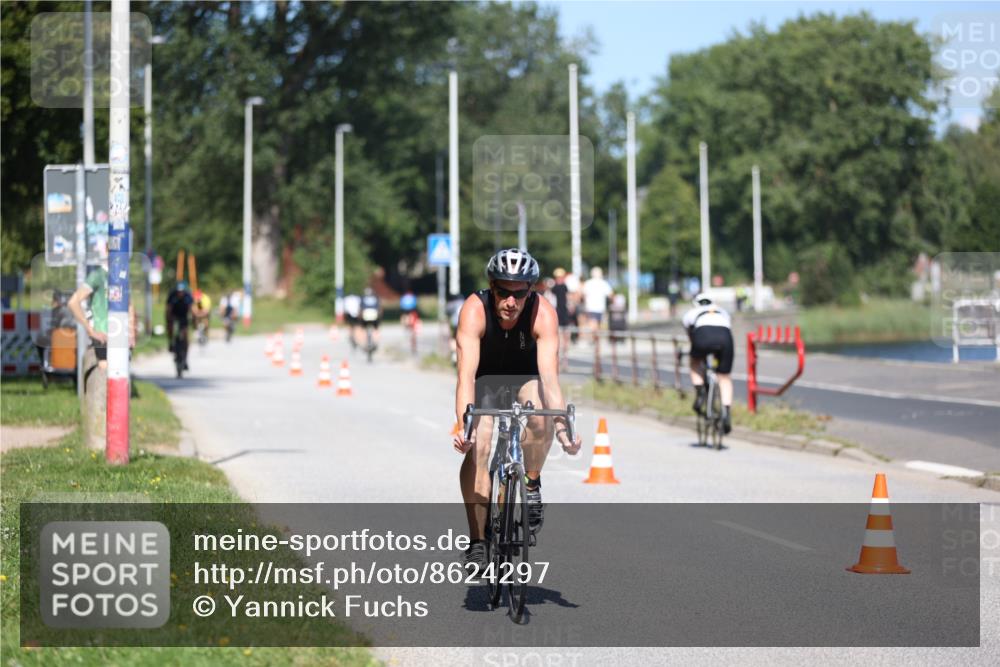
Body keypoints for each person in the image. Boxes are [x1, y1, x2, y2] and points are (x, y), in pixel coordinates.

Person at [452, 248, 582, 575]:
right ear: (491, 288)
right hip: (485, 379)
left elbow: (550, 380)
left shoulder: (544, 313)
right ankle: (478, 541)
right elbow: (465, 375)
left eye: (520, 293)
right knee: (480, 445)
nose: (511, 301)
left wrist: (563, 429)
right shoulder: (474, 310)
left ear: (531, 291)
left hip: (525, 377)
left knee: (540, 416)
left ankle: (532, 482)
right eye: (503, 292)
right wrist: (462, 425)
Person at [683, 293, 735, 434]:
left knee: (694, 362)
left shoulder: (691, 313)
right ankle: (726, 413)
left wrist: (698, 354)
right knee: (724, 376)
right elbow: (728, 328)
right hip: (725, 338)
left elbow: (691, 337)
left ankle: (700, 393)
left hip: (702, 335)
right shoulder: (722, 311)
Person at [68, 262, 136, 368]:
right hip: (104, 338)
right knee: (104, 375)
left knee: (122, 376)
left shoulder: (123, 276)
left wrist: (131, 334)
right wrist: (91, 331)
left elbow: (129, 305)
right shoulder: (97, 276)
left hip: (121, 336)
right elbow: (73, 302)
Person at [166, 281, 195, 370]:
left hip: (184, 317)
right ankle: (171, 342)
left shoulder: (188, 296)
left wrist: (194, 320)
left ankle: (185, 359)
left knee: (185, 336)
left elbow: (191, 309)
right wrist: (168, 320)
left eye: (181, 291)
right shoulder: (172, 296)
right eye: (179, 291)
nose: (180, 293)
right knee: (170, 327)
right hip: (174, 316)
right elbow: (168, 309)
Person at [550, 268, 572, 371]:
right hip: (557, 314)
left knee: (565, 339)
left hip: (564, 315)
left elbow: (568, 300)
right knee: (558, 339)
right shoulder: (553, 288)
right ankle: (558, 361)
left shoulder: (564, 287)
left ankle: (564, 361)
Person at [582, 266, 613, 339]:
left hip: (590, 307)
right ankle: (596, 340)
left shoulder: (588, 283)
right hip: (600, 307)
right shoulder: (603, 283)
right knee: (597, 324)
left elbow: (583, 295)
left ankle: (595, 339)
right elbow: (611, 295)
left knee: (593, 324)